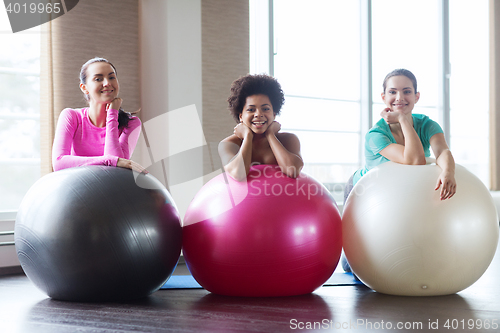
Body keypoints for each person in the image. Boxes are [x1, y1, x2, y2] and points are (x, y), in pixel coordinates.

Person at [342, 68, 457, 274]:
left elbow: (442, 151)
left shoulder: (427, 124)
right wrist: (403, 119)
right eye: (393, 92)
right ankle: (347, 257)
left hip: (398, 191)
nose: (400, 98)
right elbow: (414, 160)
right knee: (359, 259)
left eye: (407, 91)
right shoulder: (375, 134)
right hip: (362, 189)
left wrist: (448, 171)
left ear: (416, 96)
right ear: (383, 97)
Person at [52, 57, 146, 173]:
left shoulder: (131, 123)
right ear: (84, 88)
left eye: (111, 77)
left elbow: (117, 170)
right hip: (77, 189)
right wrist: (107, 161)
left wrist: (112, 114)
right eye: (98, 79)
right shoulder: (71, 116)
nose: (107, 83)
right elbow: (59, 163)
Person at [218, 74, 303, 181]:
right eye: (251, 110)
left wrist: (270, 135)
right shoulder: (228, 144)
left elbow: (292, 171)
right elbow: (238, 174)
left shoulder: (289, 140)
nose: (258, 114)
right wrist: (247, 136)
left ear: (274, 114)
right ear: (241, 116)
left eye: (265, 109)